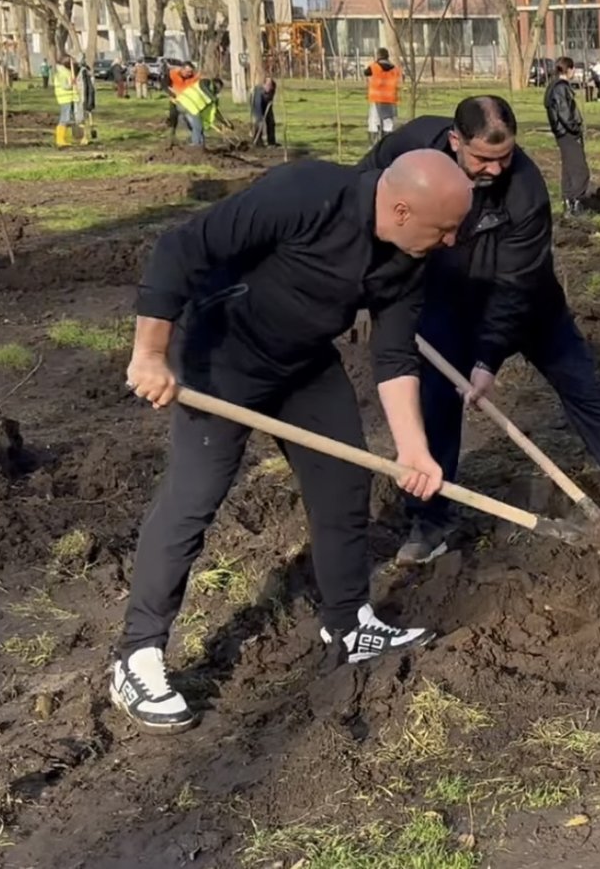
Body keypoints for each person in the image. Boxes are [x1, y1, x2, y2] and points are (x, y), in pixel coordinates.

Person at [111, 150, 472, 733]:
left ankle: (349, 623)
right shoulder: (308, 193)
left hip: (303, 364)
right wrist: (150, 353)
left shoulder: (410, 256)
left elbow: (393, 354)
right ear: (402, 209)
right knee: (193, 499)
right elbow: (181, 248)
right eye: (445, 228)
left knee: (343, 482)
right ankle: (138, 655)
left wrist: (412, 448)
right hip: (222, 357)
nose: (452, 241)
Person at [359, 96, 600, 561]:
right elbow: (367, 194)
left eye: (505, 156)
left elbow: (514, 287)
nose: (495, 169)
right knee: (435, 400)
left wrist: (487, 358)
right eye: (483, 158)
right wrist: (367, 277)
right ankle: (431, 520)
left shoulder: (525, 189)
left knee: (582, 384)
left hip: (526, 301)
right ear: (455, 140)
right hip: (446, 300)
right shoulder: (412, 147)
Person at [543, 56, 591, 217]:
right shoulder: (561, 88)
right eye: (573, 69)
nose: (574, 72)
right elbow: (564, 113)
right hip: (567, 133)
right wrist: (575, 129)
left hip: (561, 133)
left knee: (569, 168)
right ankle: (576, 202)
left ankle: (568, 202)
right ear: (568, 69)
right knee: (580, 170)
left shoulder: (553, 86)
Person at [366, 47, 402, 145]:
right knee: (388, 123)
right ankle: (388, 143)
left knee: (374, 121)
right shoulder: (394, 69)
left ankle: (374, 144)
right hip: (390, 99)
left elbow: (366, 72)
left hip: (377, 98)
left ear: (378, 56)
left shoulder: (374, 67)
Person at [52, 54, 81, 148]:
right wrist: (72, 83)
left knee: (70, 118)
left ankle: (67, 138)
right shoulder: (61, 73)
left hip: (70, 98)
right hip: (65, 99)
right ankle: (60, 139)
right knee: (65, 118)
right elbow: (65, 86)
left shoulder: (66, 71)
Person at [249, 75, 278, 147]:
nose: (269, 87)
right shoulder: (258, 92)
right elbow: (258, 105)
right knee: (259, 122)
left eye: (270, 85)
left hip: (267, 103)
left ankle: (271, 142)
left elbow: (271, 98)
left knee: (271, 121)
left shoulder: (273, 88)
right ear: (264, 85)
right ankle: (258, 141)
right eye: (267, 85)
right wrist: (260, 118)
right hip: (256, 103)